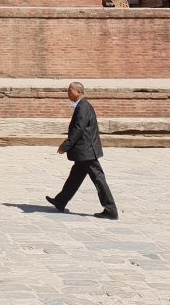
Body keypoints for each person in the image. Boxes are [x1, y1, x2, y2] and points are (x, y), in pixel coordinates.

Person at [46, 81, 119, 220]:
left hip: (87, 151)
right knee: (75, 177)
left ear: (78, 92)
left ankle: (110, 209)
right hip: (84, 151)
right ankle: (60, 201)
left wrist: (66, 145)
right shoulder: (82, 106)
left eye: (70, 91)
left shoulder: (83, 107)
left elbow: (78, 129)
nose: (68, 93)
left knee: (98, 179)